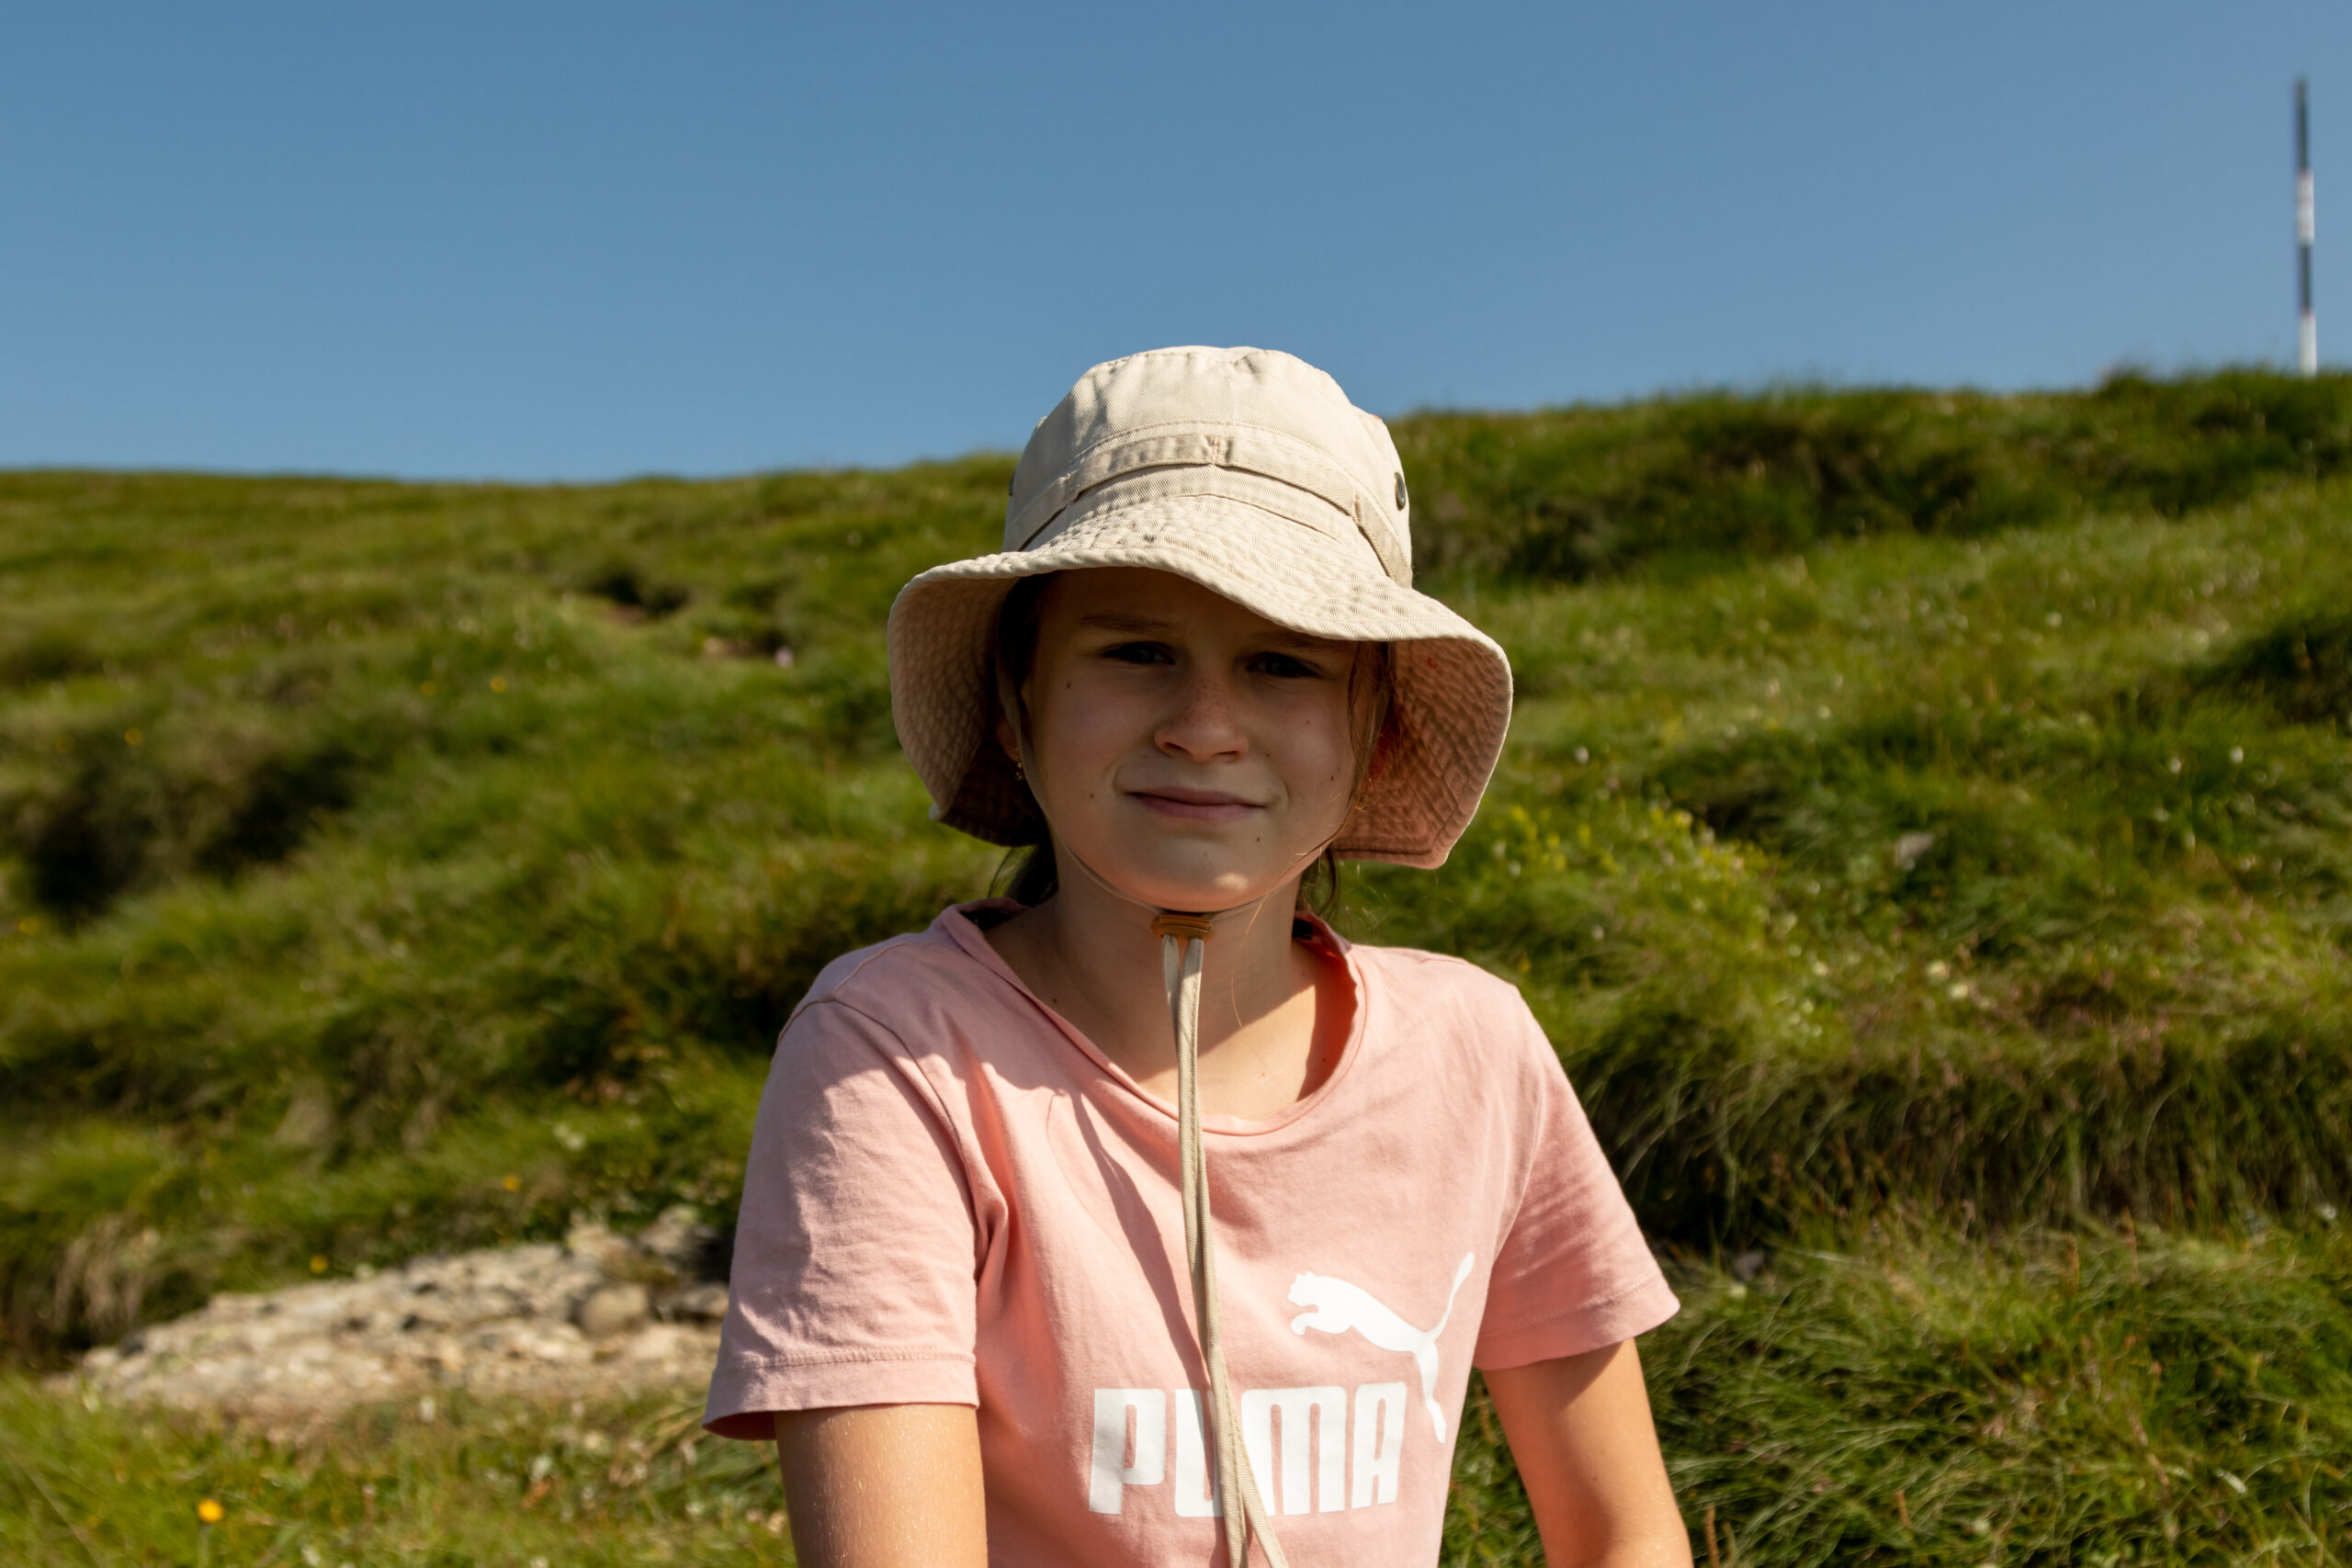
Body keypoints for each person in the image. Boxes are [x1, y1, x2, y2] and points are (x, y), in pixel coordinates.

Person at [703, 346, 1690, 1567]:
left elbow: (1624, 1535)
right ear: (1015, 701)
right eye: (1135, 652)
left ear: (1375, 730)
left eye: (1284, 663)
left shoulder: (1477, 1050)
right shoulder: (893, 1055)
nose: (1206, 728)